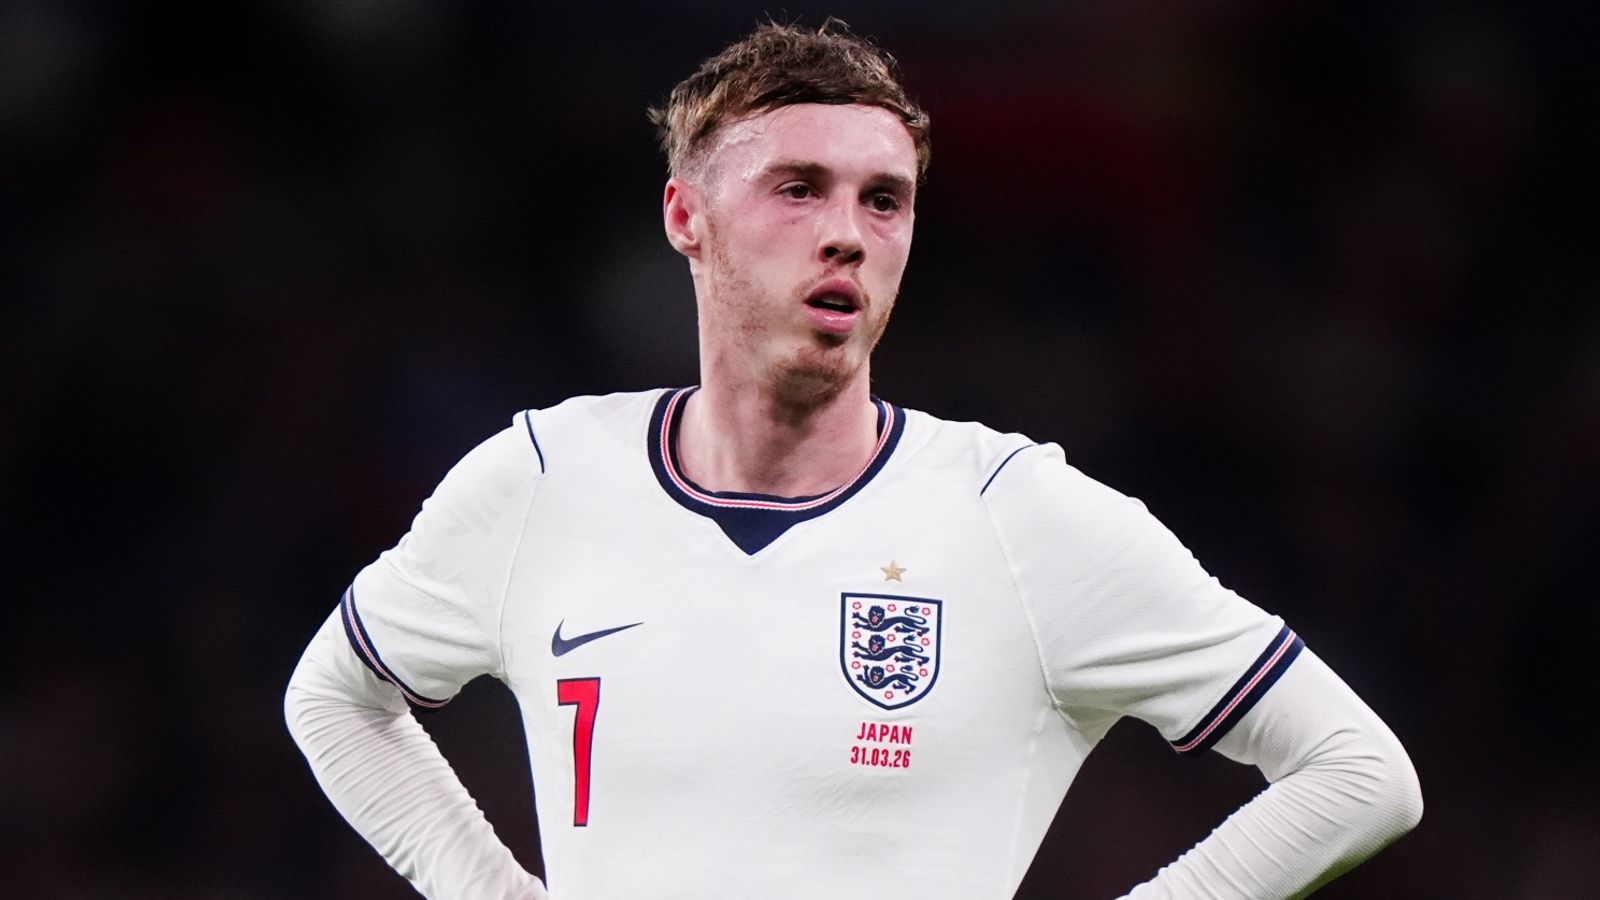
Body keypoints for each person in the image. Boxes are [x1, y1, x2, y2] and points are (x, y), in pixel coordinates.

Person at [285, 20, 1422, 899]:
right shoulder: (543, 479)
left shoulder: (1018, 518)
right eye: (799, 189)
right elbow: (334, 697)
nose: (847, 233)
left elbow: (1358, 772)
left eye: (885, 201)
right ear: (686, 216)